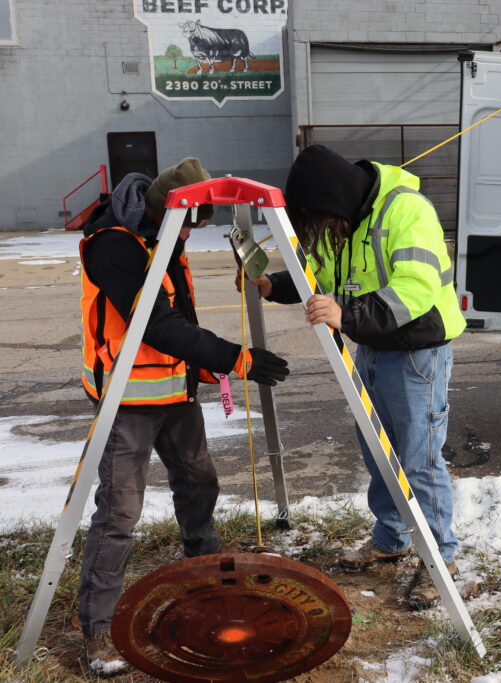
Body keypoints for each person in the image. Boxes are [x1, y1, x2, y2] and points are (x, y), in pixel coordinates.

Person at [77, 158, 289, 676]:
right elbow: (155, 323)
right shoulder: (113, 245)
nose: (191, 234)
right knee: (119, 514)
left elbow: (182, 312)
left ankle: (203, 576)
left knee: (198, 481)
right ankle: (99, 631)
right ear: (164, 208)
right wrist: (232, 359)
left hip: (176, 394)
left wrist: (202, 368)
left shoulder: (165, 235)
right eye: (189, 223)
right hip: (128, 401)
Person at [243, 144, 465, 610]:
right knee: (378, 452)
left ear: (333, 200)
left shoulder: (407, 211)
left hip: (416, 353)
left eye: (318, 220)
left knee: (418, 458)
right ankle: (390, 539)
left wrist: (346, 314)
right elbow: (319, 276)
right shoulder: (346, 219)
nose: (321, 232)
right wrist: (274, 285)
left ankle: (441, 560)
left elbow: (416, 289)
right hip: (371, 345)